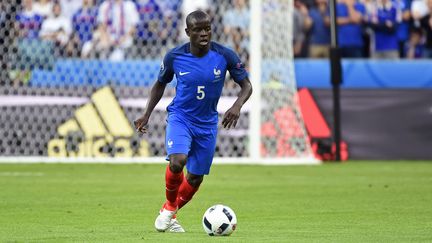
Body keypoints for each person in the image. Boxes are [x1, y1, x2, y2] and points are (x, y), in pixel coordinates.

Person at [134, 10, 252, 233]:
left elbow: (247, 86)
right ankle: (170, 207)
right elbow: (159, 84)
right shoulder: (174, 57)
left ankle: (169, 213)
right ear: (188, 32)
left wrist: (236, 106)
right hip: (181, 118)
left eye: (207, 28)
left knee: (195, 178)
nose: (204, 33)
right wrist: (146, 114)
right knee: (177, 161)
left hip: (207, 124)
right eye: (198, 30)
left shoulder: (225, 55)